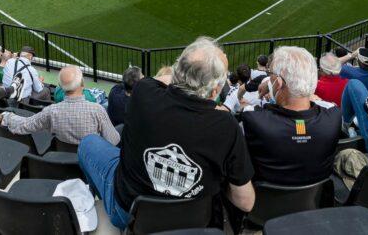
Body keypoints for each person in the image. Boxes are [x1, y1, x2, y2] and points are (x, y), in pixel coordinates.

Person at [78, 38, 255, 230]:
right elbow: (246, 202)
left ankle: (97, 207)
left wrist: (186, 72)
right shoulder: (227, 126)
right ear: (215, 91)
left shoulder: (143, 91)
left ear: (177, 71)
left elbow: (160, 81)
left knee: (89, 142)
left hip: (130, 213)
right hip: (193, 222)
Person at [242, 47, 341, 185]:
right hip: (316, 201)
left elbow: (252, 107)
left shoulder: (253, 118)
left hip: (267, 203)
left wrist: (269, 84)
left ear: (279, 83)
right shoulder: (333, 117)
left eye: (270, 74)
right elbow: (323, 104)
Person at [0, 66, 118, 146]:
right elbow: (113, 140)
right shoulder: (97, 110)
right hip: (90, 163)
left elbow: (26, 125)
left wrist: (6, 117)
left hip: (64, 158)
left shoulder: (51, 111)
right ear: (82, 84)